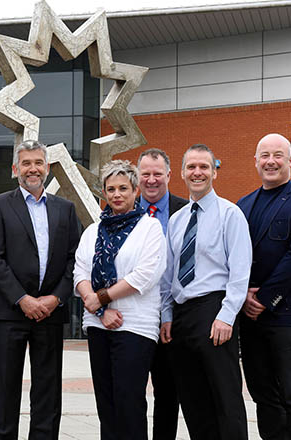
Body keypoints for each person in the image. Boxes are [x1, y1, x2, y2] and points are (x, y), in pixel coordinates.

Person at [0, 140, 81, 440]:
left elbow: (73, 260)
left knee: (48, 389)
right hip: (10, 312)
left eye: (38, 162)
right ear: (16, 169)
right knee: (4, 387)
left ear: (47, 168)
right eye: (26, 163)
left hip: (49, 313)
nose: (33, 168)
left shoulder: (65, 209)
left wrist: (55, 298)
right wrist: (22, 299)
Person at [159, 144, 251, 440]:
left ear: (214, 172)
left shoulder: (230, 214)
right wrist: (167, 314)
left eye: (203, 167)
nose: (197, 173)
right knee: (193, 398)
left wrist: (226, 316)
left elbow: (240, 271)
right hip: (182, 315)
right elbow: (168, 274)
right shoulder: (177, 220)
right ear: (182, 174)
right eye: (191, 167)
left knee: (225, 397)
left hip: (214, 312)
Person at [237, 133, 291, 440]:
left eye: (278, 155)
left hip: (289, 317)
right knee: (264, 396)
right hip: (251, 320)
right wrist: (243, 292)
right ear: (256, 161)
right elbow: (234, 256)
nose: (271, 161)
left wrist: (262, 296)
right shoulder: (243, 205)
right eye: (264, 155)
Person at [74, 160, 167, 440]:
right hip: (99, 324)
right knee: (107, 402)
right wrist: (100, 308)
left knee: (129, 401)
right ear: (104, 193)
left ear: (136, 190)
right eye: (111, 189)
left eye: (123, 188)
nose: (117, 194)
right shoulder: (93, 231)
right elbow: (80, 269)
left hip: (135, 325)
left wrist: (99, 298)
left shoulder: (149, 228)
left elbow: (145, 276)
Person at [136, 148, 187, 440]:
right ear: (137, 176)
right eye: (146, 174)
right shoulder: (123, 211)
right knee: (132, 392)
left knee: (168, 394)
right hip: (134, 316)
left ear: (169, 175)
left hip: (174, 319)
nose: (152, 180)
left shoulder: (186, 210)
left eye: (158, 174)